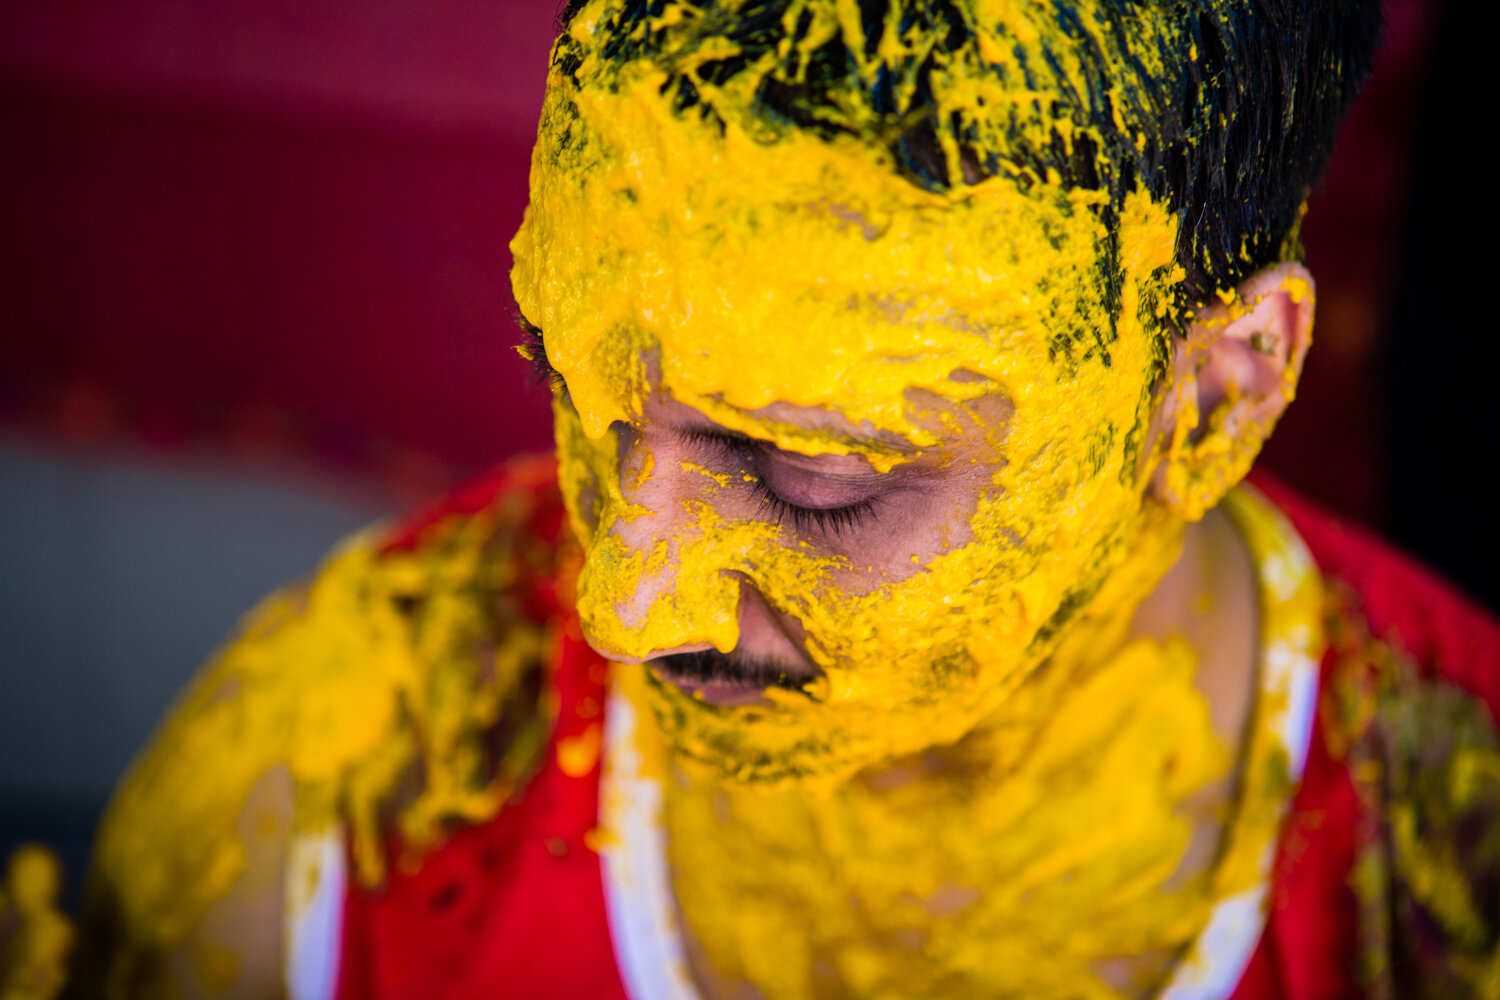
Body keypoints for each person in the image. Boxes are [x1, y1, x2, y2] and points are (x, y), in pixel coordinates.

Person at [57, 0, 1500, 997]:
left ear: (1210, 399)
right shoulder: (335, 802)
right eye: (578, 389)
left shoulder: (1454, 860)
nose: (619, 603)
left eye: (818, 478)